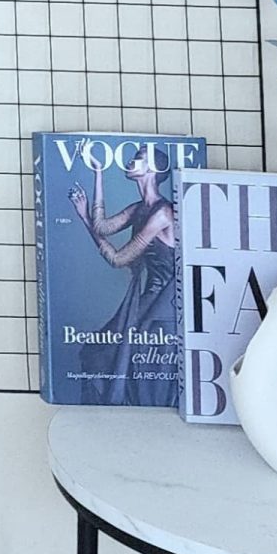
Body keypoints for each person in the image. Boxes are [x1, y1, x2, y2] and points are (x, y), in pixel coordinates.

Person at [66, 144, 178, 405]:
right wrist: (98, 173)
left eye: (138, 157)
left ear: (153, 168)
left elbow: (118, 259)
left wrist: (85, 220)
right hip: (148, 299)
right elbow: (102, 227)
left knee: (118, 360)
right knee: (104, 355)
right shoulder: (140, 208)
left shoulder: (162, 214)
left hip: (165, 306)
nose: (130, 161)